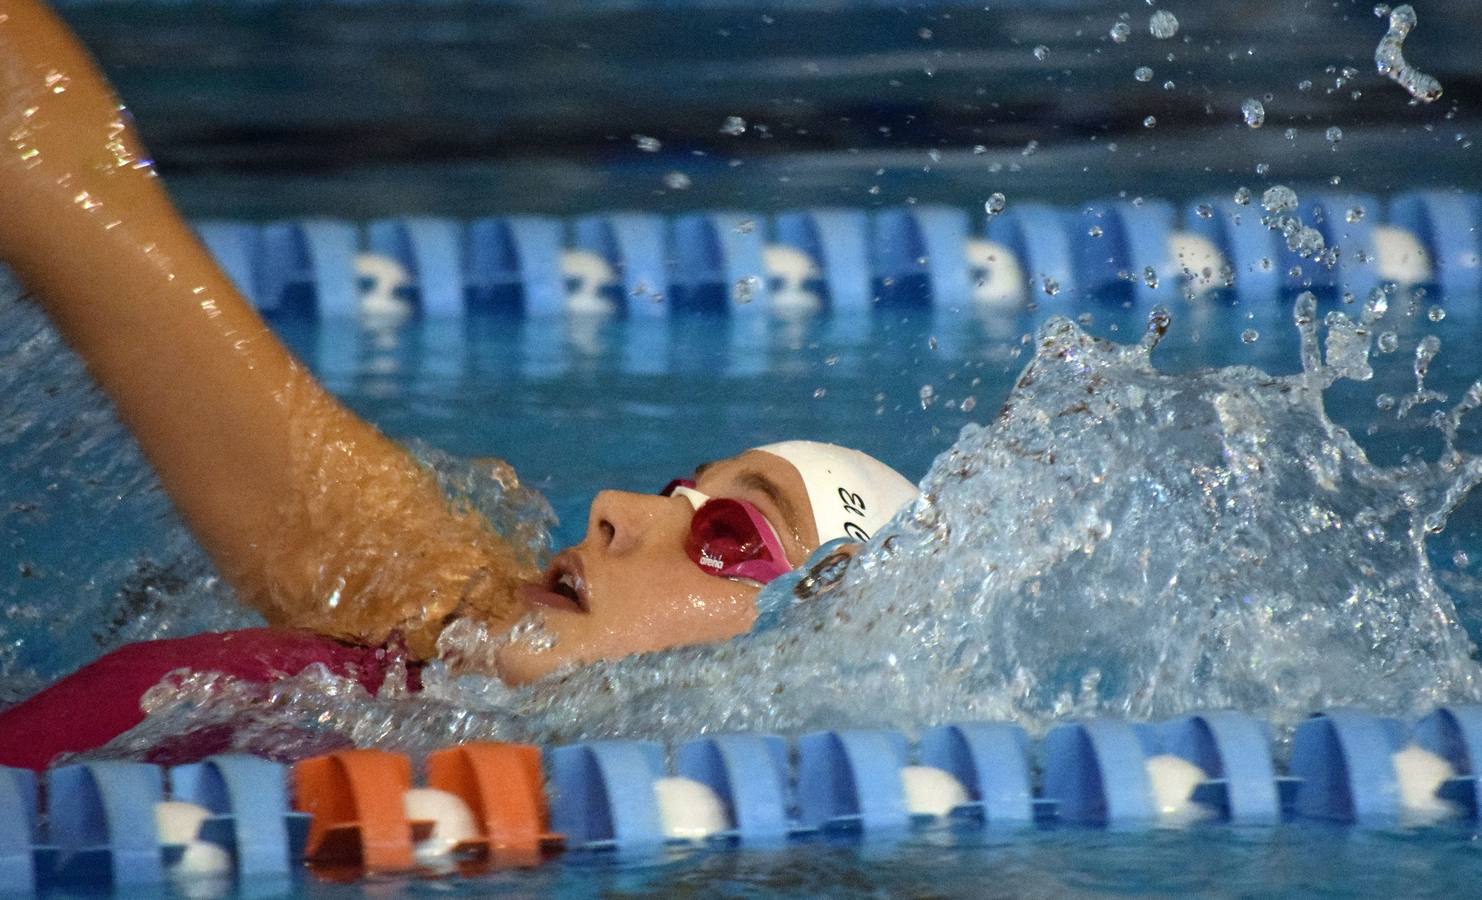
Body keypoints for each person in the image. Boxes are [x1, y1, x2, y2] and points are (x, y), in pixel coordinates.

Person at [0, 0, 917, 766]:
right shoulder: (427, 625)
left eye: (725, 533)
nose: (613, 506)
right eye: (681, 488)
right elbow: (51, 160)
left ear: (806, 662)